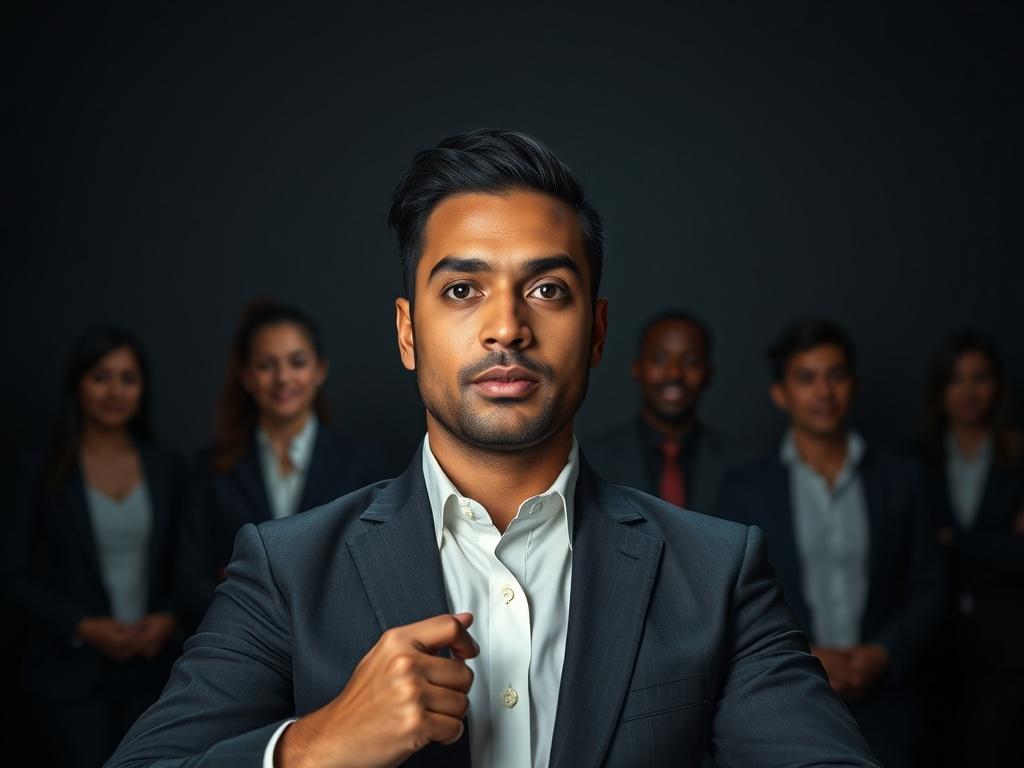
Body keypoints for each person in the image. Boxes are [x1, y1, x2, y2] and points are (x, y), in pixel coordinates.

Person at [108, 130, 878, 768]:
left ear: (598, 333)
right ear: (408, 332)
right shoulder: (285, 571)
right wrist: (310, 748)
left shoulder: (718, 574)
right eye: (462, 290)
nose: (507, 326)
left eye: (548, 290)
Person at [716, 317, 944, 768]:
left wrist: (883, 654)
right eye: (807, 378)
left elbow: (932, 584)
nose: (824, 392)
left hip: (890, 708)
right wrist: (805, 655)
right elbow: (729, 598)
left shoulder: (903, 477)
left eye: (836, 376)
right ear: (780, 393)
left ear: (853, 385)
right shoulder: (746, 488)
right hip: (787, 703)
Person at [7, 327, 184, 768]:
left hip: (152, 672)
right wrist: (83, 627)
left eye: (129, 378)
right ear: (77, 384)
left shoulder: (166, 469)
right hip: (67, 676)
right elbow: (12, 575)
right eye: (101, 376)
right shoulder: (39, 470)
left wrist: (169, 618)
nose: (115, 391)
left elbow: (182, 564)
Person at [176, 301, 385, 631]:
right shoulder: (211, 467)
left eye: (297, 362)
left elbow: (375, 571)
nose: (283, 378)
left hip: (336, 646)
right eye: (265, 365)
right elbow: (188, 577)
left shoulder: (363, 465)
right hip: (236, 646)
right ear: (246, 377)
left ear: (320, 370)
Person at [918, 332, 1024, 767]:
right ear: (940, 389)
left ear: (997, 385)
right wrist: (999, 545)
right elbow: (907, 555)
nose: (968, 391)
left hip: (1008, 648)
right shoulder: (910, 463)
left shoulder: (1020, 459)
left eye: (979, 378)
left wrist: (952, 540)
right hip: (928, 646)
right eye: (955, 379)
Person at [586, 311, 730, 513]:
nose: (674, 373)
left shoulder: (742, 465)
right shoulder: (590, 462)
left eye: (691, 362)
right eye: (659, 359)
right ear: (637, 368)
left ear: (708, 374)